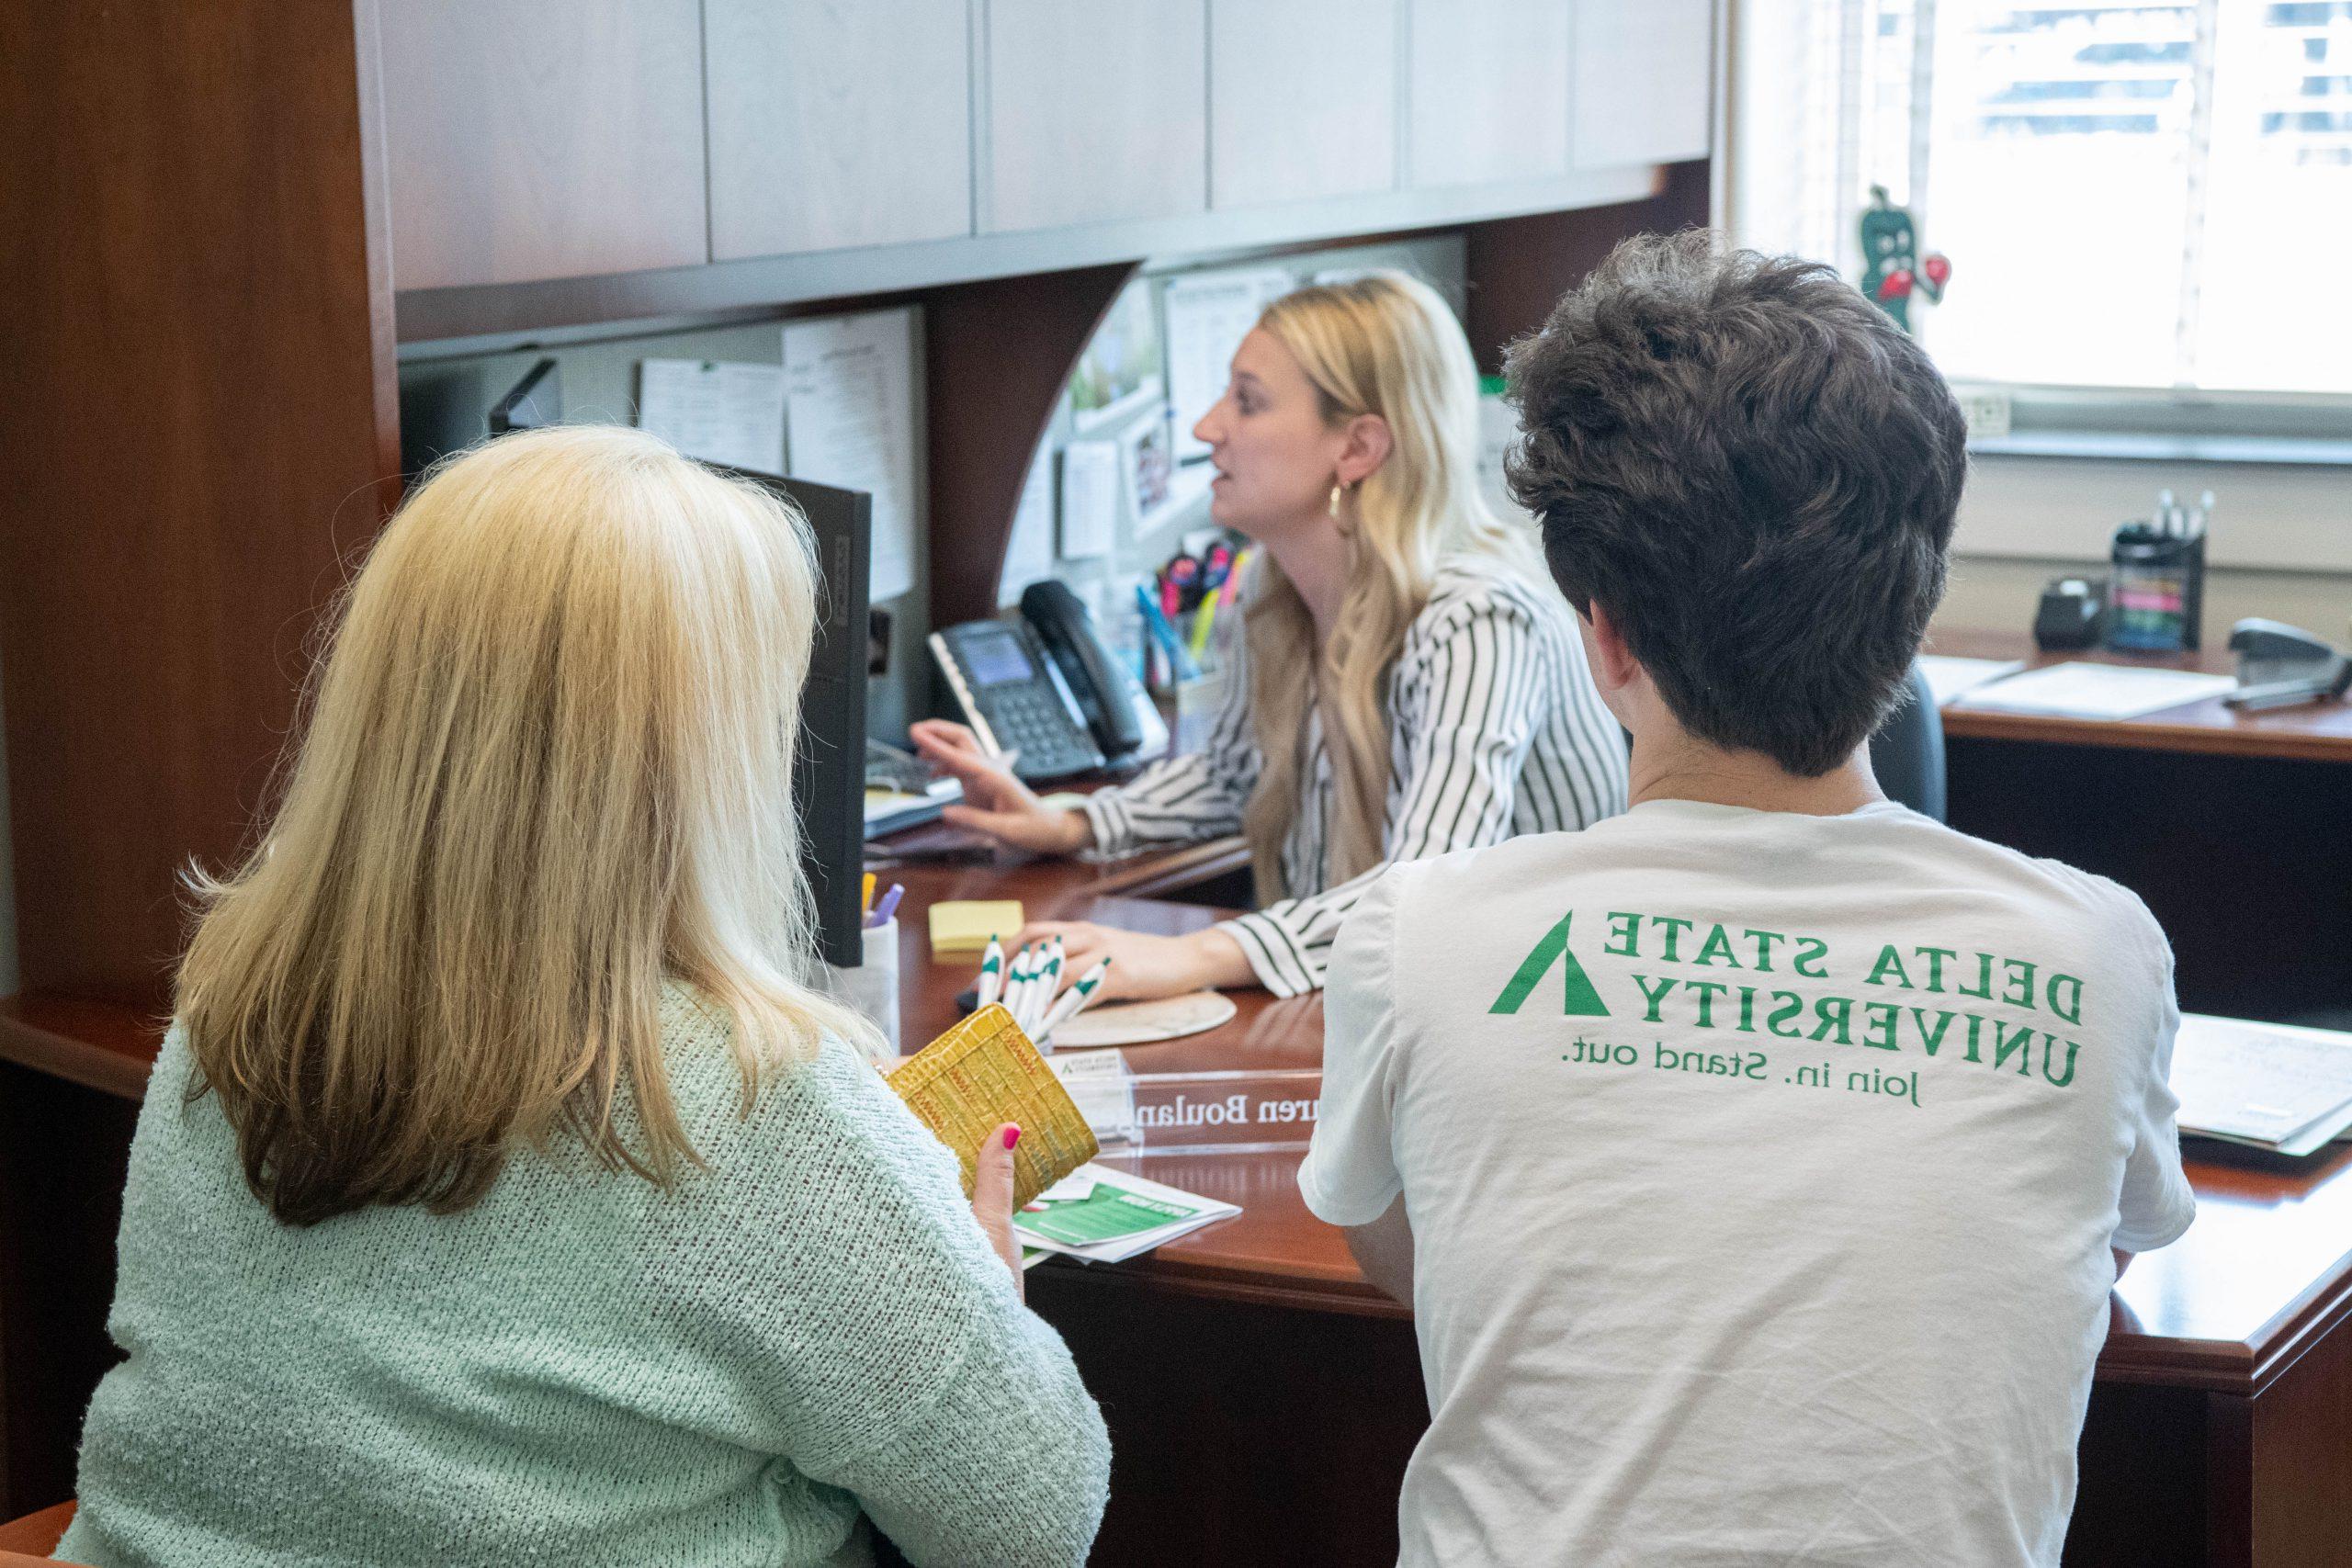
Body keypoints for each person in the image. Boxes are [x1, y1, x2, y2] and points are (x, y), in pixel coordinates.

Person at [57, 428, 1109, 1568]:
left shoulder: (226, 1020)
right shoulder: (750, 1105)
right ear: (700, 760)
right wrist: (981, 1295)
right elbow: (1027, 1524)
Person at [1301, 235, 2196, 1567]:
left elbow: (1424, 1263)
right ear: (1914, 618)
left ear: (1602, 635)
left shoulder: (1417, 935)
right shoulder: (2100, 952)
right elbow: (2085, 1257)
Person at [912, 272, 1627, 1002]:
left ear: (1357, 447)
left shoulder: (1477, 622)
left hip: (1517, 1033)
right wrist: (1071, 822)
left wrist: (1193, 953)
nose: (1207, 428)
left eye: (1247, 402)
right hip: (1392, 1005)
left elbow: (1425, 890)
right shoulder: (1275, 588)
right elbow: (1235, 776)